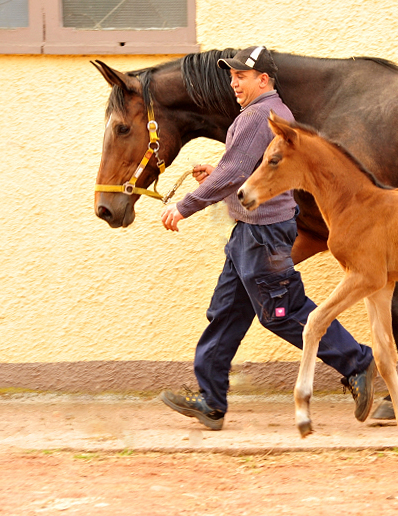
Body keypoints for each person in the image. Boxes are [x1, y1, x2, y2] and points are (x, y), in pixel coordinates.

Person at [159, 46, 376, 430]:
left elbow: (234, 173)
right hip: (251, 233)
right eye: (231, 77)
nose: (233, 84)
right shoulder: (264, 116)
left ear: (264, 80)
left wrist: (185, 206)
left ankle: (358, 362)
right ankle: (211, 401)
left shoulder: (260, 117)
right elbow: (247, 172)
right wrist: (219, 171)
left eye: (240, 77)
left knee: (283, 311)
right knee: (226, 312)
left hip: (263, 236)